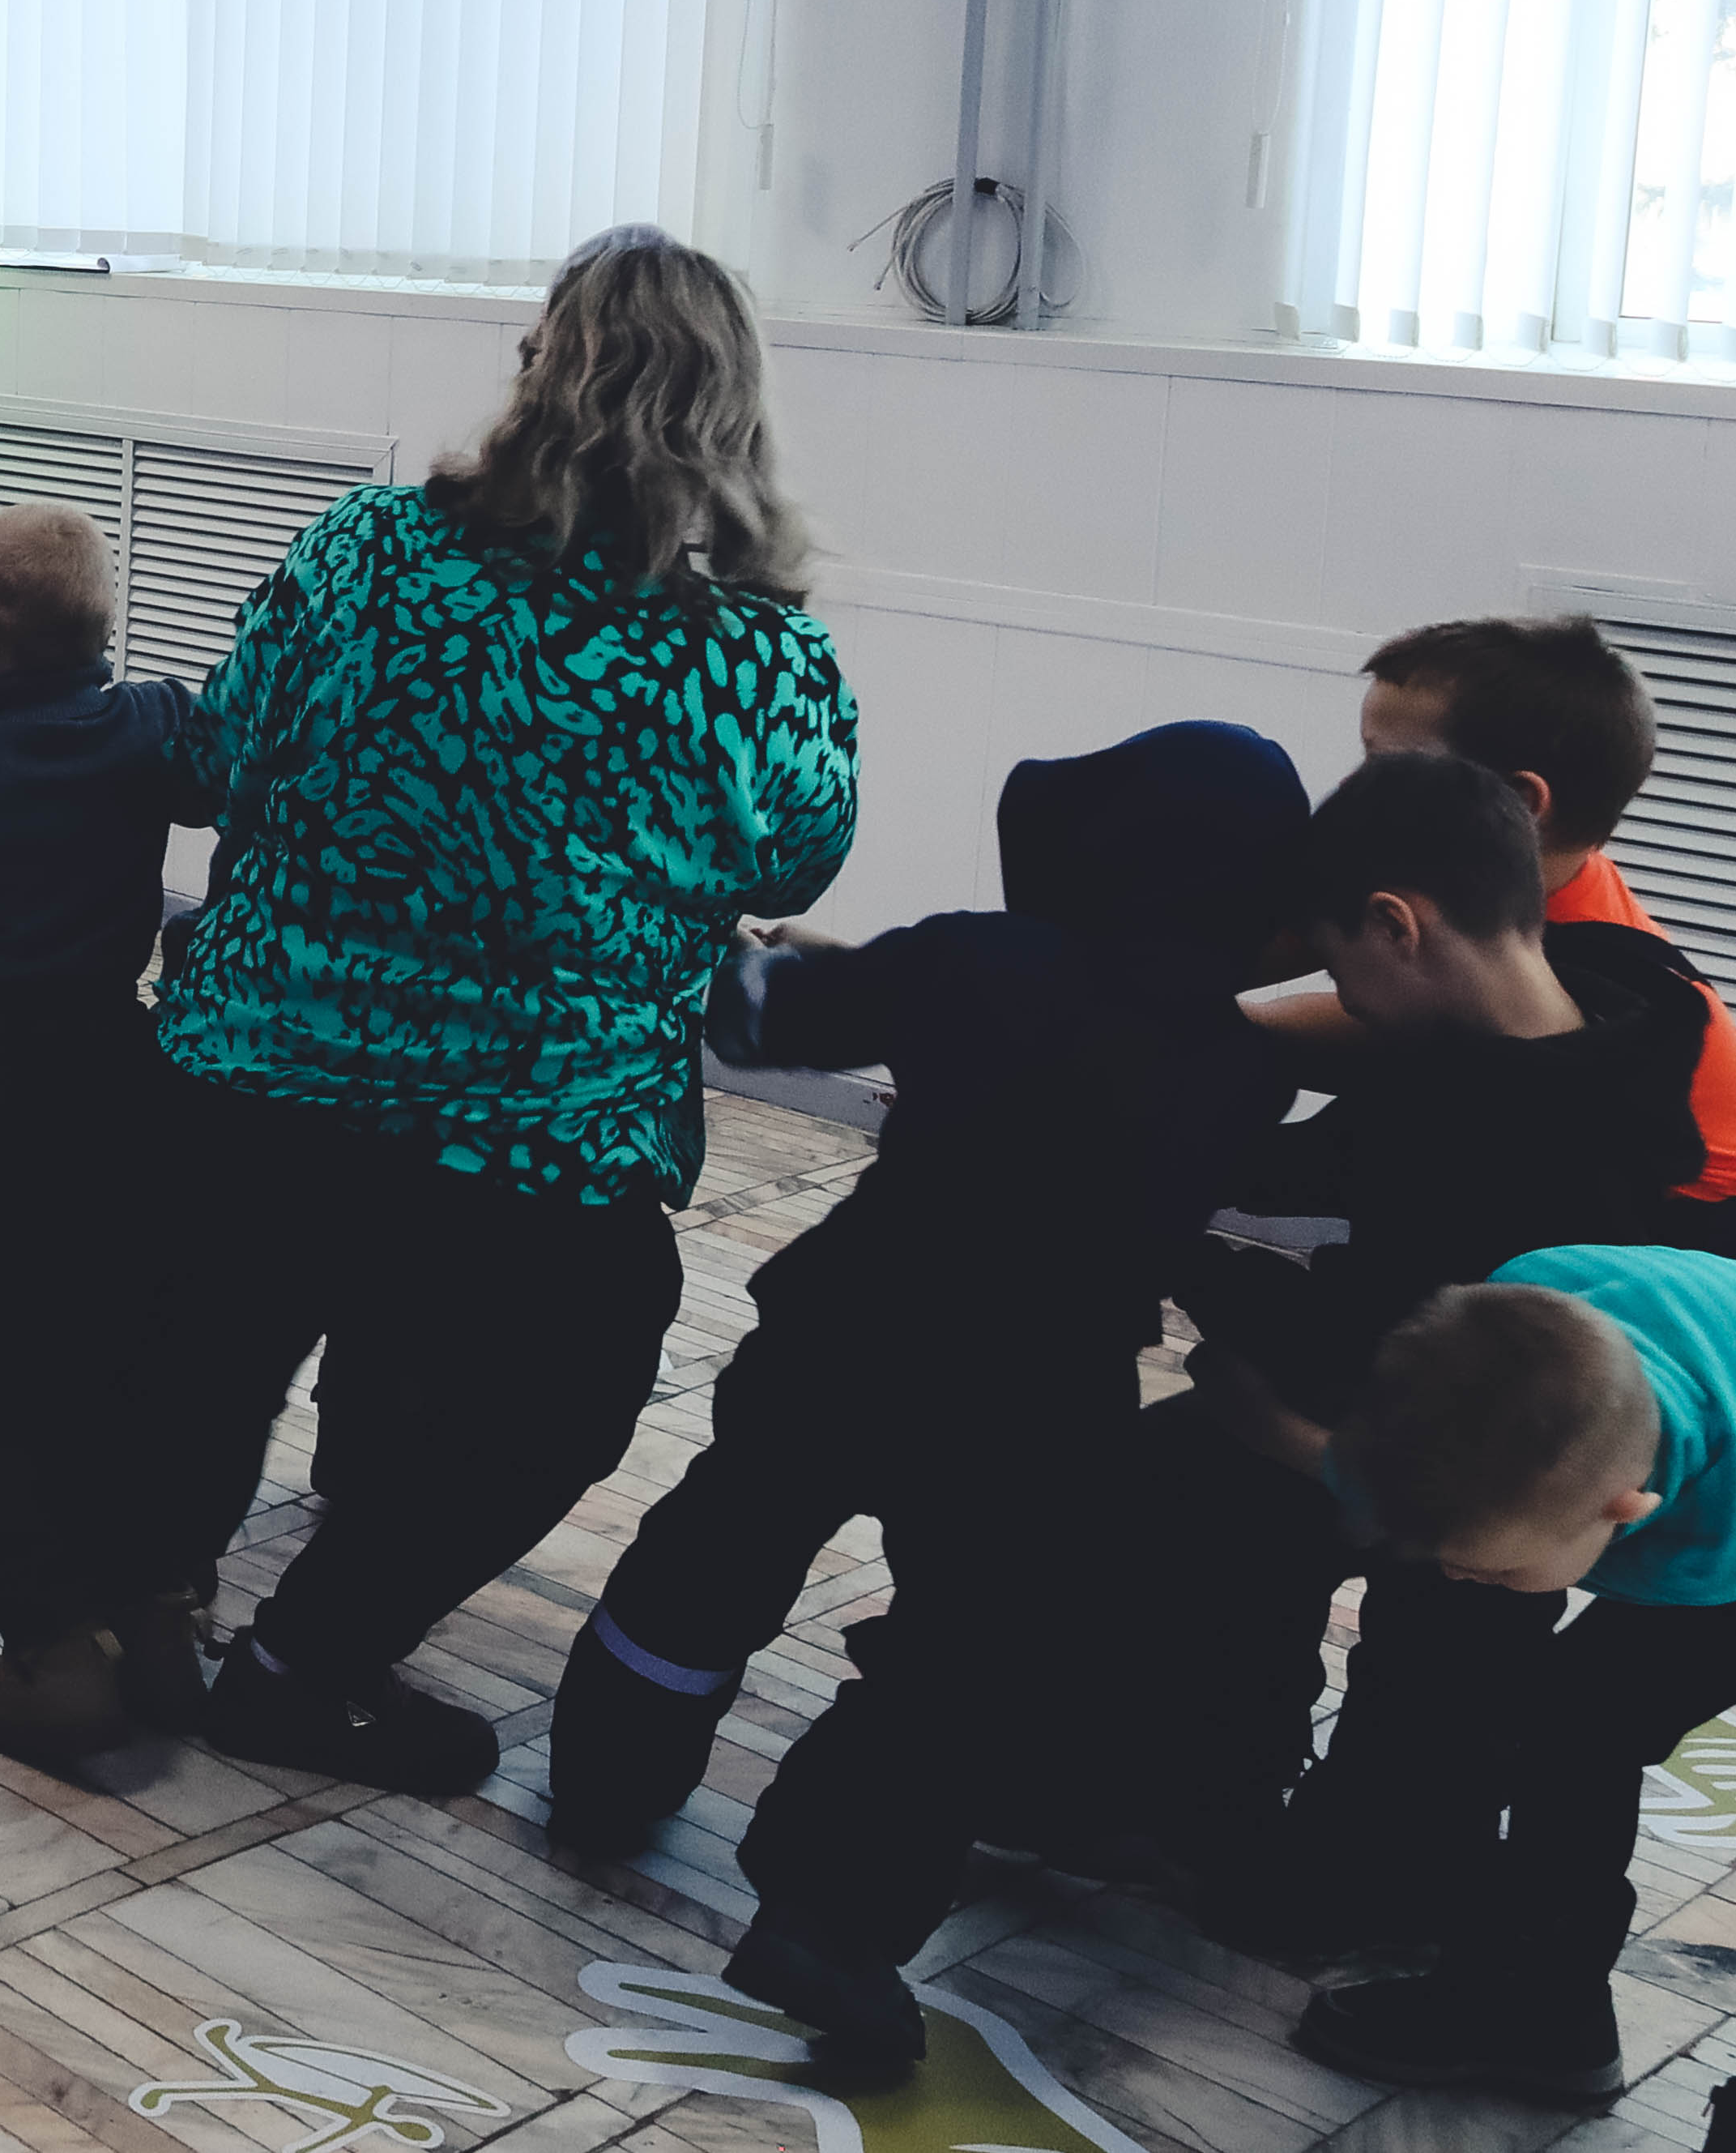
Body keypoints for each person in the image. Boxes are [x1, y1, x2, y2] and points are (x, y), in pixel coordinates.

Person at [137, 224, 858, 1792]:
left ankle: (137, 1615)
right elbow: (798, 852)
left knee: (211, 1340)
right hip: (535, 1145)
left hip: (256, 1074)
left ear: (540, 370)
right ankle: (303, 1665)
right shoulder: (755, 658)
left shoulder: (366, 549)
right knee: (567, 1390)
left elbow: (220, 756)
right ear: (731, 413)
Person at [544, 722, 1312, 2083]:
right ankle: (831, 1917)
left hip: (848, 1327)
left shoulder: (978, 956)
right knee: (970, 1653)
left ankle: (609, 1776)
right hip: (1041, 1391)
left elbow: (760, 1020)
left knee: (721, 1542)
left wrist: (760, 954)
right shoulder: (1244, 1056)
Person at [1098, 748, 1717, 1942]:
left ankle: (1306, 1856)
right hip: (1474, 1423)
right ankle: (1323, 1849)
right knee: (1429, 1657)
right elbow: (1329, 1174)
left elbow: (1367, 1286)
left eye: (1342, 969)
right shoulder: (1620, 1006)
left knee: (1387, 1618)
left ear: (1397, 924)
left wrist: (1206, 1287)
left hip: (1464, 1451)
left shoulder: (1495, 1123)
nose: (1343, 998)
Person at [0, 503, 211, 1770]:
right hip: (122, 1067)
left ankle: (52, 1648)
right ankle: (153, 1613)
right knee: (116, 1335)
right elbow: (212, 765)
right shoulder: (149, 727)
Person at [1284, 1255, 1736, 2104]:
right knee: (1469, 1626)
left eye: (1493, 1566)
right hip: (1689, 1351)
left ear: (1626, 1511)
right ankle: (1414, 1877)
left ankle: (1545, 2013)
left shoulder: (1705, 1545)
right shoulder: (1489, 1348)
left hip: (1724, 1536)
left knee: (1579, 1727)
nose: (1462, 1573)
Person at [1283, 616, 1736, 1200]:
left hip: (1676, 1221)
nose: (1351, 785)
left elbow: (1374, 1032)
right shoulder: (1537, 877)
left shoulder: (1571, 965)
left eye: (1387, 764)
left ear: (1519, 804)